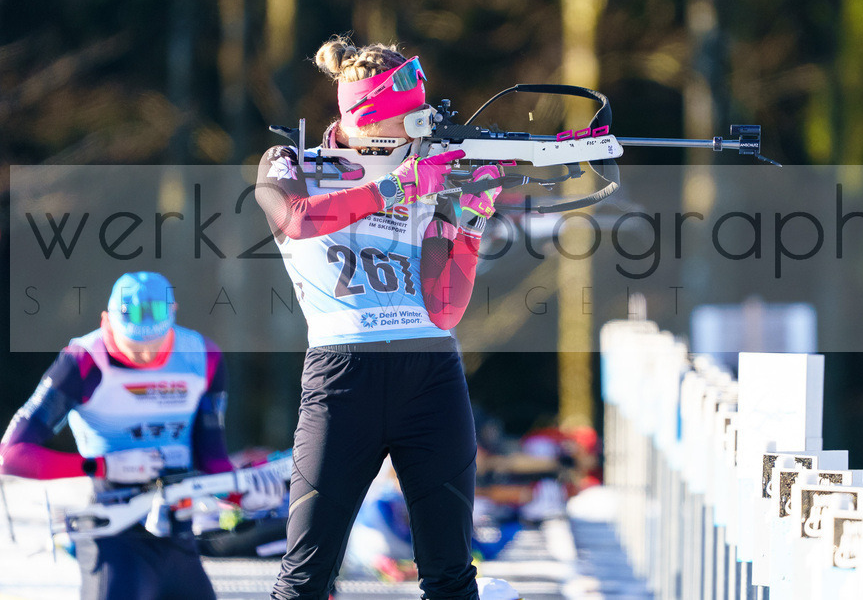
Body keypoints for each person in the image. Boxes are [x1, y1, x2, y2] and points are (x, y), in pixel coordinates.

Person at [255, 37, 510, 600]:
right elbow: (293, 218)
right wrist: (395, 186)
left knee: (450, 574)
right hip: (341, 377)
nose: (420, 132)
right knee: (304, 576)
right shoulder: (291, 160)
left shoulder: (426, 168)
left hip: (430, 374)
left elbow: (444, 308)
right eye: (408, 120)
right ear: (363, 118)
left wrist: (467, 220)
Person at [0, 271, 282, 600]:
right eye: (133, 343)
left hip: (177, 534)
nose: (145, 355)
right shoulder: (83, 361)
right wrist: (105, 466)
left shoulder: (202, 357)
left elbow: (212, 459)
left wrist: (243, 496)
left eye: (154, 343)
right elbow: (11, 455)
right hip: (112, 533)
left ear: (173, 315)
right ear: (106, 321)